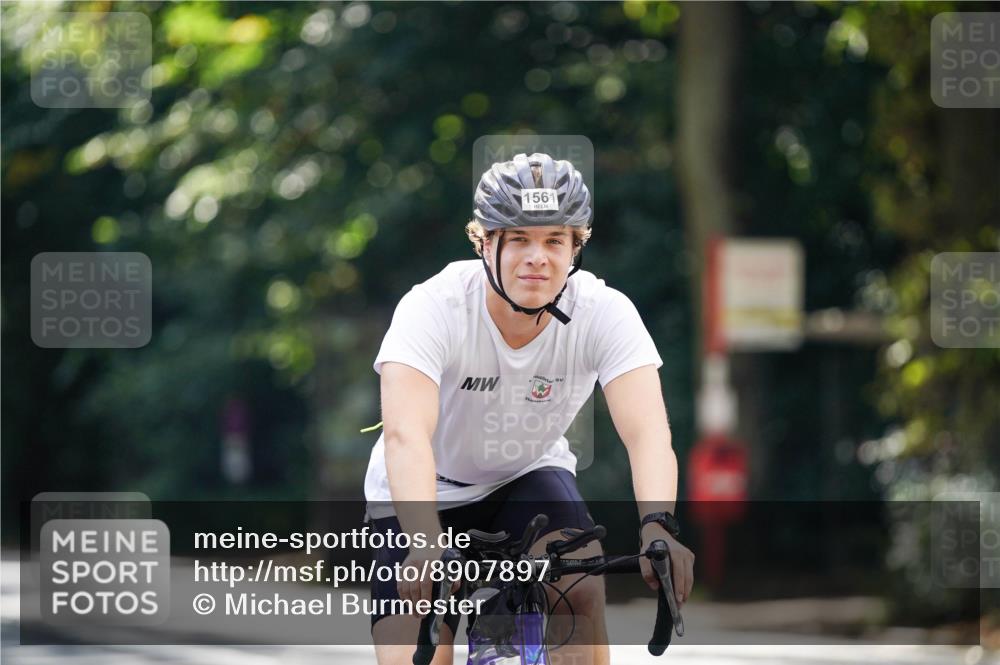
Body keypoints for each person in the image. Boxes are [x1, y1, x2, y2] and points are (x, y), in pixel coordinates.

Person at [364, 152, 695, 665]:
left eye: (554, 240)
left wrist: (658, 525)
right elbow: (406, 435)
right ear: (483, 243)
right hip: (423, 492)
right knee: (416, 653)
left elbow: (648, 432)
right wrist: (425, 543)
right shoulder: (432, 307)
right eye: (518, 238)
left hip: (527, 477)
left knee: (581, 582)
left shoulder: (604, 312)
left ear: (576, 248)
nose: (537, 257)